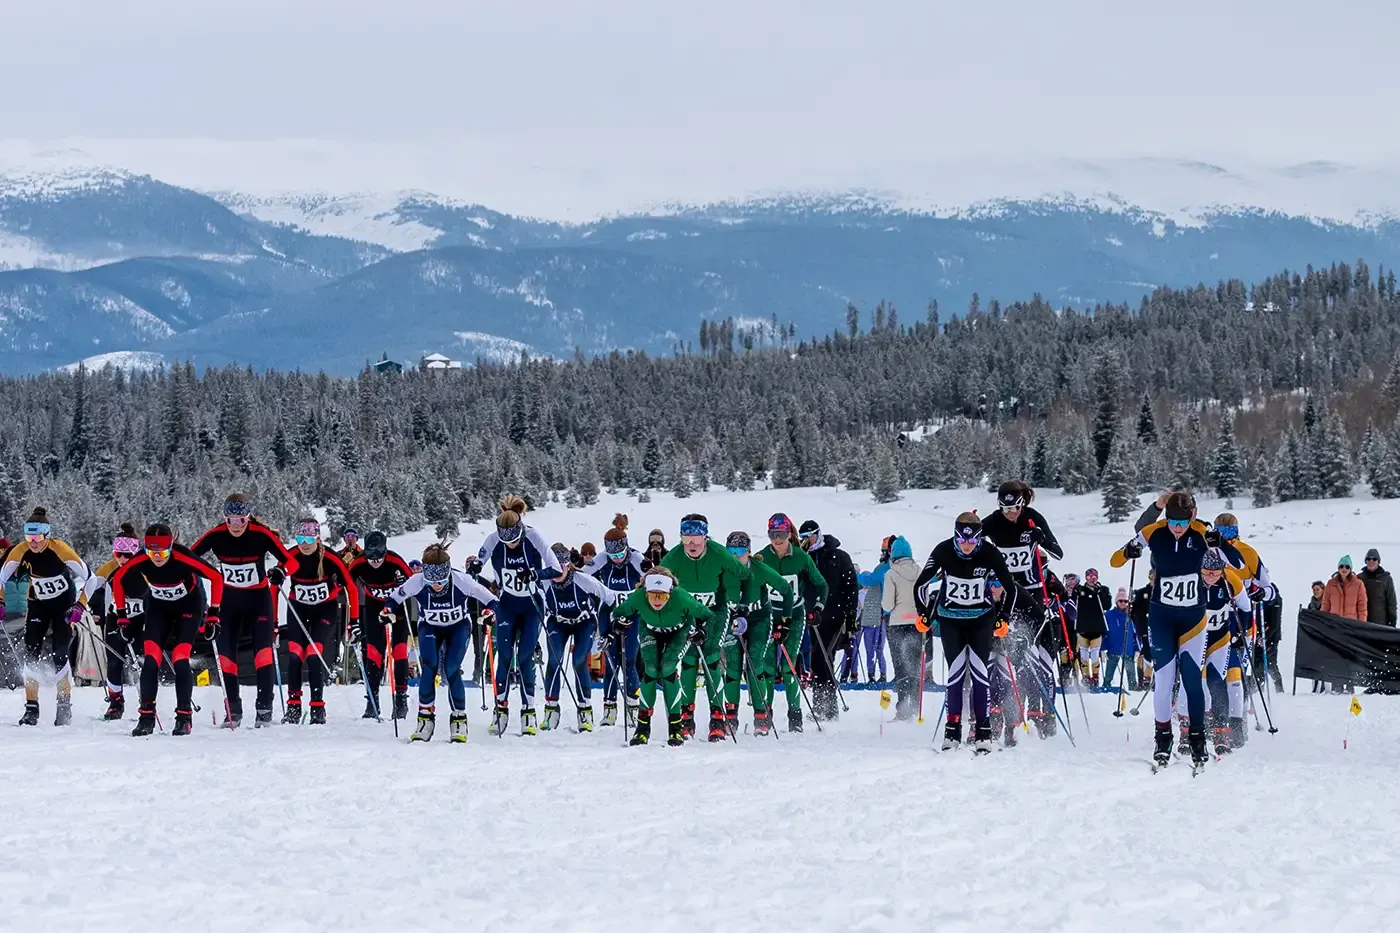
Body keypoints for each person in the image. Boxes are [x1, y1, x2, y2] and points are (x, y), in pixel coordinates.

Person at [1109, 491, 1213, 769]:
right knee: (1164, 680)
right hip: (1161, 618)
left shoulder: (1202, 532)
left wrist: (1218, 545)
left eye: (1182, 522)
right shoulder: (1155, 531)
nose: (1177, 528)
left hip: (1193, 619)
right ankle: (1163, 737)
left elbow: (1231, 561)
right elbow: (1115, 561)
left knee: (1193, 680)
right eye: (1172, 521)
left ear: (1192, 516)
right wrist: (1128, 551)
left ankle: (1197, 738)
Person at [913, 512, 1020, 753]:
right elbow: (920, 584)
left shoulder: (990, 553)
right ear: (955, 536)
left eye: (972, 542)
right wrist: (923, 614)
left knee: (981, 673)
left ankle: (984, 730)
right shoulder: (943, 551)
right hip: (951, 620)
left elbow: (1010, 589)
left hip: (982, 619)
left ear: (980, 538)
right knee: (956, 673)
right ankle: (952, 730)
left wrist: (1003, 618)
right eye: (962, 541)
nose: (967, 546)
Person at [190, 493, 299, 728]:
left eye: (240, 520)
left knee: (262, 655)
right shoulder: (216, 535)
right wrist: (210, 573)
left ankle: (264, 709)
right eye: (230, 520)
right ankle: (233, 710)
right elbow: (189, 558)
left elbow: (292, 561)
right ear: (224, 519)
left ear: (248, 517)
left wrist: (281, 571)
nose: (235, 526)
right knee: (227, 659)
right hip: (228, 602)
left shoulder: (261, 535)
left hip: (258, 601)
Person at [111, 523, 224, 737]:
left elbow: (216, 577)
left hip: (189, 607)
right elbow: (118, 579)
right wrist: (122, 617)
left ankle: (184, 717)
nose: (157, 557)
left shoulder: (182, 556)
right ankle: (146, 716)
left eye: (162, 552)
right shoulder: (143, 559)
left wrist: (214, 614)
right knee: (151, 660)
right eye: (151, 552)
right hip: (158, 608)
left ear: (171, 547)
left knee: (180, 657)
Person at [381, 544, 499, 742]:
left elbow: (492, 600)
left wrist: (489, 613)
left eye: (442, 580)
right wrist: (387, 612)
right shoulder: (416, 581)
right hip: (430, 627)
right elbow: (393, 599)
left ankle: (459, 719)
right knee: (429, 667)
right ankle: (425, 720)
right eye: (431, 580)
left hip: (458, 628)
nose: (437, 585)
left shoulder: (462, 580)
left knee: (452, 668)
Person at [478, 495, 563, 737]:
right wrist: (475, 567)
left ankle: (528, 711)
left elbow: (556, 569)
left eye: (515, 540)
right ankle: (501, 709)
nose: (511, 544)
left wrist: (535, 574)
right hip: (507, 604)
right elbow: (478, 563)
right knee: (504, 656)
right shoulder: (494, 539)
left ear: (520, 531)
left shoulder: (534, 536)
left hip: (532, 606)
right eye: (507, 541)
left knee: (525, 656)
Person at [0, 508, 91, 727]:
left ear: (47, 535)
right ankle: (31, 708)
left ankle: (64, 706)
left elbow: (91, 579)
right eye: (28, 536)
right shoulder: (20, 551)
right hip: (37, 606)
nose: (32, 542)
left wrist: (81, 605)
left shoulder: (60, 549)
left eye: (37, 537)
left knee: (60, 653)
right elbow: (1, 579)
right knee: (31, 652)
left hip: (63, 607)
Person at [660, 513, 747, 741]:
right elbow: (656, 581)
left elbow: (745, 573)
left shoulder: (719, 553)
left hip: (714, 613)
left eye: (696, 538)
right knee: (688, 661)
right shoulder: (674, 557)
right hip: (687, 615)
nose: (691, 544)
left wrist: (741, 601)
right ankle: (686, 717)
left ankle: (717, 717)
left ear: (705, 538)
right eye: (686, 537)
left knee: (711, 658)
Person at [612, 567, 722, 746]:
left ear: (670, 593)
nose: (657, 601)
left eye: (662, 596)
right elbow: (617, 612)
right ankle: (642, 728)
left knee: (668, 668)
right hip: (650, 630)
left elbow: (709, 616)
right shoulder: (638, 596)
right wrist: (617, 624)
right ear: (645, 592)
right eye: (652, 596)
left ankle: (676, 727)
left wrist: (702, 631)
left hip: (679, 632)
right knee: (651, 670)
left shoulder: (681, 596)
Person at [283, 517, 360, 725]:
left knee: (313, 654)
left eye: (309, 538)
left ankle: (317, 707)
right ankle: (293, 706)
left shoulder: (330, 558)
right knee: (295, 655)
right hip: (298, 609)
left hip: (324, 611)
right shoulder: (291, 556)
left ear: (317, 537)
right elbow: (274, 586)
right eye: (300, 538)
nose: (304, 544)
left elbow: (351, 588)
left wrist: (354, 621)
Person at [757, 513, 828, 732]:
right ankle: (764, 715)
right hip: (769, 618)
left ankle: (794, 716)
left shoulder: (800, 557)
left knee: (789, 667)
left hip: (795, 616)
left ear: (789, 534)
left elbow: (821, 585)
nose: (776, 540)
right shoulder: (760, 558)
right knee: (767, 668)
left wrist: (818, 608)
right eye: (772, 535)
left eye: (780, 534)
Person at [541, 543, 619, 732]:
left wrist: (607, 628)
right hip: (557, 622)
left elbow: (610, 598)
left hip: (583, 622)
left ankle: (585, 710)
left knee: (579, 661)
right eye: (552, 567)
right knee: (554, 660)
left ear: (568, 565)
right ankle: (551, 709)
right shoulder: (543, 581)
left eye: (561, 566)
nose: (556, 572)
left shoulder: (583, 580)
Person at [723, 531, 794, 737]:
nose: (736, 556)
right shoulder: (723, 569)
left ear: (749, 552)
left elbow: (786, 590)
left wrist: (785, 621)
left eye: (741, 551)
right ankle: (730, 715)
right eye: (731, 551)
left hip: (759, 620)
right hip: (733, 620)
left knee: (755, 663)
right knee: (733, 667)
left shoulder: (759, 569)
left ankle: (761, 715)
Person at [346, 530, 415, 721]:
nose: (375, 561)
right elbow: (346, 584)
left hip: (399, 606)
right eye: (371, 557)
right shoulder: (359, 562)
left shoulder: (395, 561)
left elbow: (415, 583)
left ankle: (400, 699)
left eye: (379, 557)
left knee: (399, 651)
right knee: (374, 652)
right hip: (373, 606)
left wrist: (404, 582)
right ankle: (372, 701)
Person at [587, 514, 644, 730]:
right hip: (608, 612)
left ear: (627, 548)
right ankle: (609, 708)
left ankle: (633, 707)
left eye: (620, 554)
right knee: (610, 662)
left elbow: (655, 573)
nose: (617, 559)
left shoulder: (636, 557)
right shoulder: (603, 558)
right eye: (612, 555)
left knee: (629, 660)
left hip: (632, 614)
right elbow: (584, 573)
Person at [84, 524, 146, 721]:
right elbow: (91, 586)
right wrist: (81, 606)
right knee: (114, 661)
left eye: (127, 555)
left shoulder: (145, 566)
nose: (121, 559)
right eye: (118, 554)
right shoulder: (109, 567)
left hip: (140, 620)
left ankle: (146, 700)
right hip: (115, 619)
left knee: (141, 661)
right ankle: (115, 702)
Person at [798, 519, 859, 720]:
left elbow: (851, 587)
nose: (806, 541)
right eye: (803, 538)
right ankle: (820, 704)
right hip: (812, 616)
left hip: (835, 614)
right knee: (817, 658)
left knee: (825, 656)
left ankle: (829, 705)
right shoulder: (804, 558)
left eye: (809, 537)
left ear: (818, 534)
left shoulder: (839, 557)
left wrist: (851, 615)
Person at [1200, 548, 1254, 754]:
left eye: (1217, 571)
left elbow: (1246, 609)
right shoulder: (1197, 581)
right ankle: (1203, 725)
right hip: (1200, 641)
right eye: (1208, 571)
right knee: (1202, 683)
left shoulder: (1231, 581)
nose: (1212, 576)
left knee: (1234, 682)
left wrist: (1242, 634)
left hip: (1227, 641)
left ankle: (1233, 729)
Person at [881, 536, 923, 720]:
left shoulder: (891, 574)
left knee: (900, 667)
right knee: (914, 666)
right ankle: (914, 706)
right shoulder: (921, 572)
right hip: (917, 624)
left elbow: (888, 605)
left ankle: (902, 709)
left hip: (897, 625)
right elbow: (925, 600)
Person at [1073, 568, 1112, 689]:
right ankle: (1086, 677)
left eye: (1094, 576)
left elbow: (1107, 605)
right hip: (1082, 628)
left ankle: (1095, 677)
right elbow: (1072, 600)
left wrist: (1100, 592)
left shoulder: (1102, 590)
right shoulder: (1080, 590)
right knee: (1083, 656)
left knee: (1095, 656)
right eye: (1089, 576)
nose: (1092, 578)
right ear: (1086, 578)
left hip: (1096, 628)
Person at [1102, 588, 1140, 692]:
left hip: (1128, 649)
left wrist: (1137, 648)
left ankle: (1133, 691)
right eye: (1121, 601)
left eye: (1125, 601)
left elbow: (1135, 634)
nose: (1123, 603)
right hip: (1113, 648)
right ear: (1116, 601)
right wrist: (1103, 649)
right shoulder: (1108, 615)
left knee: (1131, 674)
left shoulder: (1131, 615)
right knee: (1109, 673)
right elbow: (1105, 633)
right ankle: (1106, 688)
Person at [1322, 555, 1367, 621]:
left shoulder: (1358, 584)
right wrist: (1322, 622)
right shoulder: (1330, 584)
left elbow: (1362, 607)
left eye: (1347, 567)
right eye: (1341, 566)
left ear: (1350, 569)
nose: (1344, 569)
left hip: (1351, 625)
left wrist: (1362, 625)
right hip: (1334, 624)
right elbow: (1325, 605)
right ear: (1338, 568)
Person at [1359, 549, 1397, 627]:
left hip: (1380, 623)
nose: (1371, 561)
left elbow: (1392, 602)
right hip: (1362, 622)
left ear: (1378, 561)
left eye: (1374, 559)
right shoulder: (1359, 578)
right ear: (1366, 561)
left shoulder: (1386, 579)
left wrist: (1392, 620)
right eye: (1368, 559)